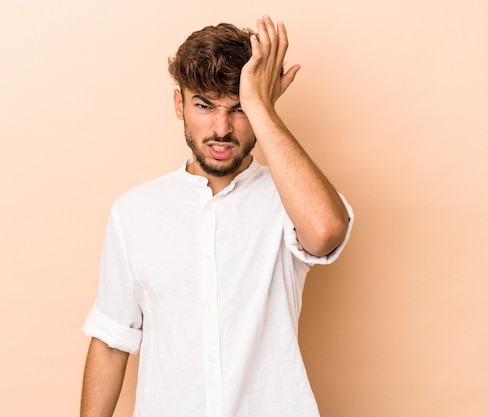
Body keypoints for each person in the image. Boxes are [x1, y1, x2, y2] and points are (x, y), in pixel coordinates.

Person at [80, 15, 354, 417]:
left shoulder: (287, 200)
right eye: (204, 106)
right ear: (179, 104)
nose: (221, 129)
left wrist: (262, 106)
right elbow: (110, 339)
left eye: (239, 109)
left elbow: (326, 231)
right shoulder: (134, 212)